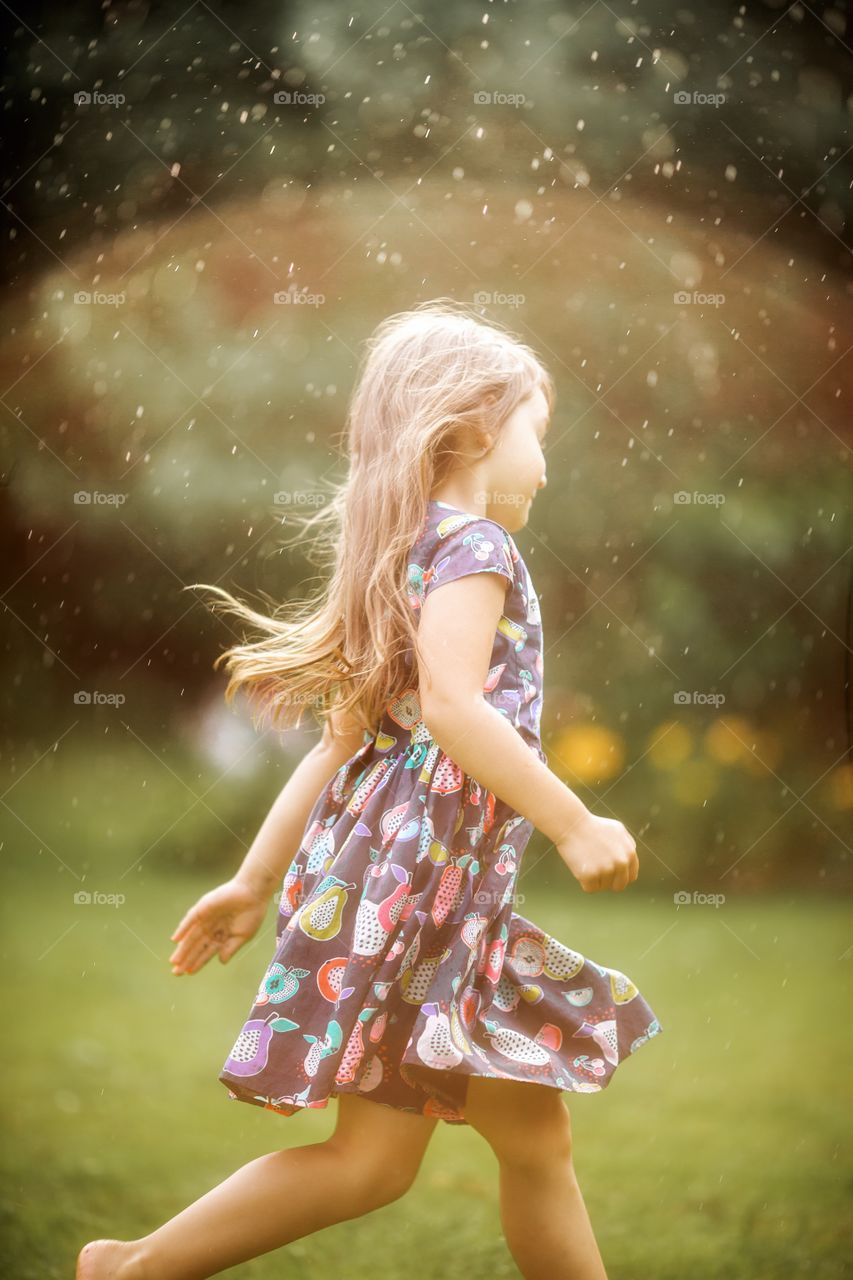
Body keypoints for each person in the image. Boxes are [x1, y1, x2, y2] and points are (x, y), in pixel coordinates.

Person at [77, 298, 663, 1280]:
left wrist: (254, 882)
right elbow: (451, 706)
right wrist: (573, 817)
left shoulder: (401, 558)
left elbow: (331, 752)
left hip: (408, 905)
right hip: (422, 914)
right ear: (475, 427)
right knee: (425, 1157)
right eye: (538, 433)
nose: (546, 465)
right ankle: (130, 1271)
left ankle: (128, 1266)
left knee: (462, 1149)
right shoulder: (474, 549)